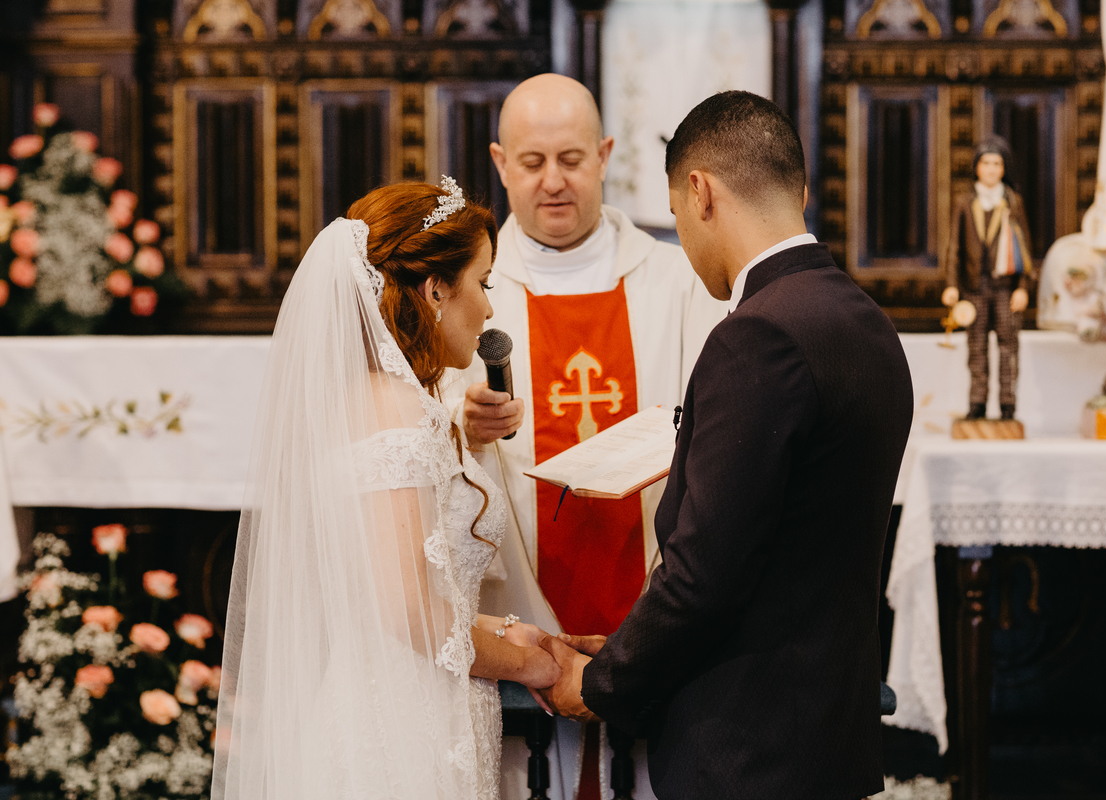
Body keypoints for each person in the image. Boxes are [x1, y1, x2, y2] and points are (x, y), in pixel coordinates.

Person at [537, 91, 914, 800]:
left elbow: (704, 575)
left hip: (748, 753)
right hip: (829, 739)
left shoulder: (756, 337)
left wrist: (602, 680)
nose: (683, 235)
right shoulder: (865, 320)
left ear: (700, 192)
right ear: (796, 187)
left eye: (677, 214)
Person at [210, 180, 560, 800]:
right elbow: (410, 614)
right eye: (483, 283)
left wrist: (503, 630)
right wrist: (530, 662)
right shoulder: (394, 412)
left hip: (416, 708)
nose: (488, 308)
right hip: (401, 737)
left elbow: (397, 594)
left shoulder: (392, 403)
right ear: (434, 290)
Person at [447, 74, 723, 798]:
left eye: (571, 159)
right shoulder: (465, 290)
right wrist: (462, 424)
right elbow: (412, 432)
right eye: (532, 163)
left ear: (604, 155)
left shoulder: (676, 281)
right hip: (521, 608)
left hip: (654, 593)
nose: (553, 182)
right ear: (500, 162)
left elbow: (722, 426)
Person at [941, 135, 1033, 421]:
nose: (992, 169)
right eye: (986, 163)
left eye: (997, 164)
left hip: (1005, 289)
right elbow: (953, 248)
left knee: (1008, 348)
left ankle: (1008, 405)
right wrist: (952, 285)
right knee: (976, 348)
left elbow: (1025, 248)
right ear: (977, 167)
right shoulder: (965, 202)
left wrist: (1023, 286)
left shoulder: (1012, 202)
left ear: (1004, 169)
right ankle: (977, 403)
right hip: (974, 289)